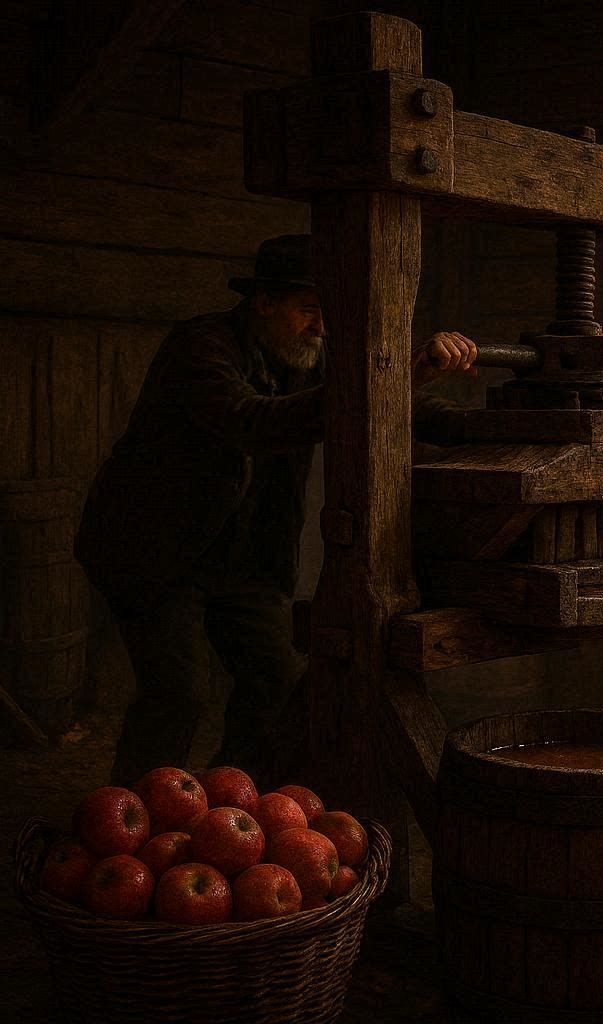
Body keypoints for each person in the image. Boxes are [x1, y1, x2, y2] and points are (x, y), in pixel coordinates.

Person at [76, 234, 478, 786]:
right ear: (262, 302)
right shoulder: (202, 346)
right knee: (179, 692)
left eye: (329, 314)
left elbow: (397, 398)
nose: (322, 327)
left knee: (275, 683)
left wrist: (481, 426)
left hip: (245, 562)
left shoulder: (314, 353)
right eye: (310, 311)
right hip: (159, 553)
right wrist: (399, 375)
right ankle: (129, 824)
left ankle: (231, 805)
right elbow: (252, 421)